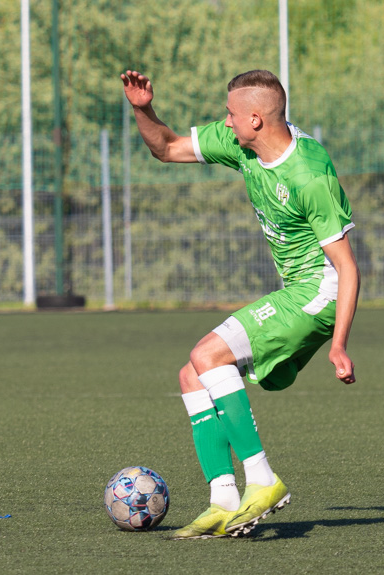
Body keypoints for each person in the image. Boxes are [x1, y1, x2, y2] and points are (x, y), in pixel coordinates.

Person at [121, 69, 360, 538]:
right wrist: (142, 109)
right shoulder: (242, 142)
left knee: (207, 354)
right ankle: (224, 498)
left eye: (231, 115)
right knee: (192, 374)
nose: (224, 123)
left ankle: (263, 478)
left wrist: (338, 345)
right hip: (296, 289)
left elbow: (347, 268)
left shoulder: (309, 176)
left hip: (319, 292)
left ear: (255, 118)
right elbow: (166, 148)